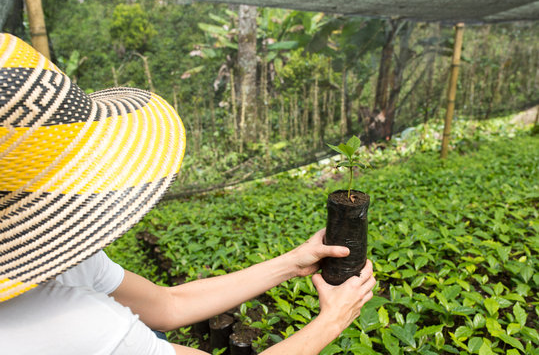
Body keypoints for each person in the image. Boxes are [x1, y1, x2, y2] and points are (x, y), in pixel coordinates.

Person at [0, 33, 376, 355]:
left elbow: (167, 304)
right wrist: (333, 320)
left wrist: (293, 262)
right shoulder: (59, 323)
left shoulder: (66, 257)